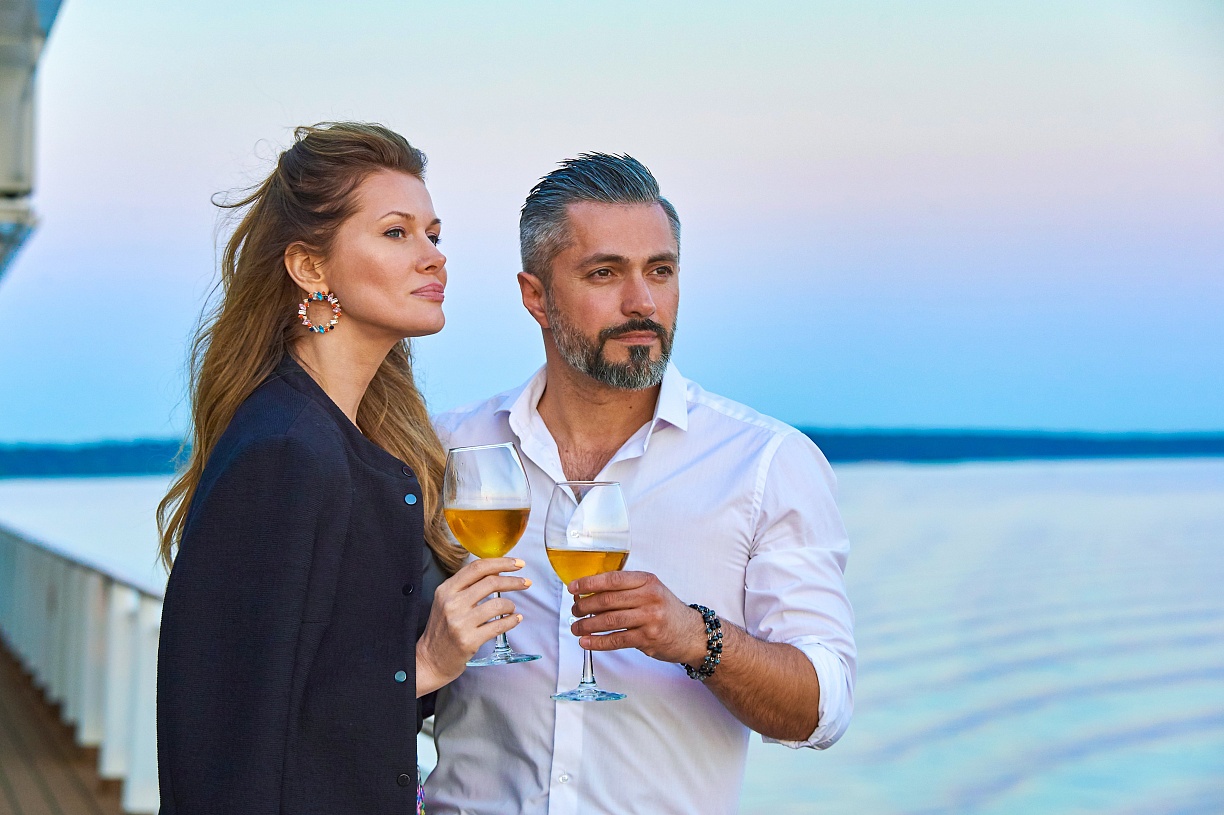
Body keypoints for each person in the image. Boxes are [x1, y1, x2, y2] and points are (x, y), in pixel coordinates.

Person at [424, 153, 856, 814]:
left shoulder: (765, 463)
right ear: (535, 296)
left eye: (660, 271)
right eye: (605, 273)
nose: (642, 303)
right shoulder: (449, 449)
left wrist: (696, 637)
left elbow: (823, 709)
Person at [155, 122, 529, 815]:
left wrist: (432, 658)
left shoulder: (364, 443)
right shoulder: (285, 450)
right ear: (310, 267)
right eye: (396, 233)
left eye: (433, 234)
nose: (433, 257)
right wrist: (425, 662)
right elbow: (227, 728)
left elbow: (322, 679)